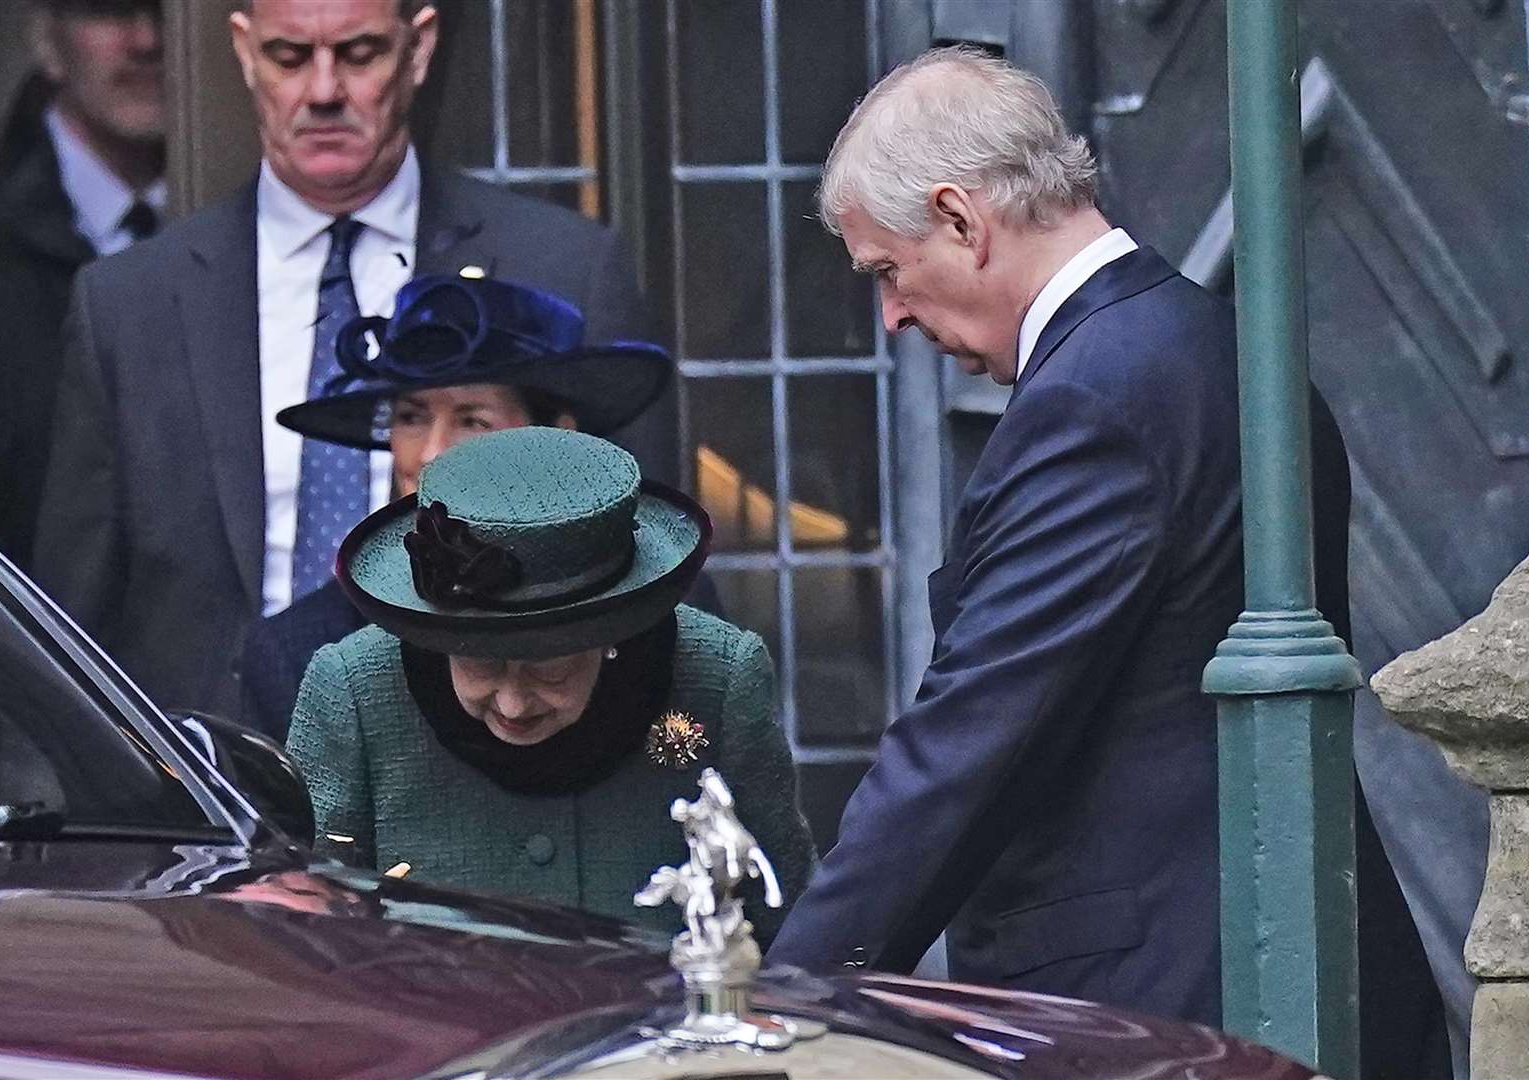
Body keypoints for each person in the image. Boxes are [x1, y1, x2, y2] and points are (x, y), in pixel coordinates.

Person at [766, 47, 1433, 1052]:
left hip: (1166, 1013)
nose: (893, 314)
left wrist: (784, 1000)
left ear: (959, 217)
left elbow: (972, 738)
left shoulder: (1093, 401)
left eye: (888, 273)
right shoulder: (1225, 353)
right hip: (1309, 966)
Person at [32, 0, 661, 719]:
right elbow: (64, 620)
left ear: (418, 48)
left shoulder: (564, 269)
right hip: (207, 784)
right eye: (290, 57)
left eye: (359, 54)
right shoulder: (127, 303)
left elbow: (647, 570)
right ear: (244, 53)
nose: (324, 91)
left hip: (479, 766)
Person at [285, 426, 815, 943]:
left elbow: (788, 920)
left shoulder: (718, 677)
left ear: (609, 635)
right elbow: (302, 935)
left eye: (549, 668)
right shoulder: (352, 691)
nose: (513, 703)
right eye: (482, 664)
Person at [238, 271, 720, 742]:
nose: (430, 452)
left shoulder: (672, 606)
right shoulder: (299, 652)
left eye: (473, 421)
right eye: (411, 417)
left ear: (558, 435)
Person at [0, 0, 165, 567]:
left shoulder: (265, 232)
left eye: (168, 12)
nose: (146, 39)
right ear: (47, 40)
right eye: (110, 10)